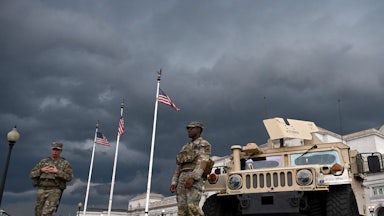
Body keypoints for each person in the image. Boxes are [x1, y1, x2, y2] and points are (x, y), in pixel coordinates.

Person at [170, 121, 211, 216]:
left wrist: (193, 178)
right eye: (188, 128)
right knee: (182, 209)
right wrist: (174, 181)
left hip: (194, 178)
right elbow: (179, 166)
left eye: (191, 128)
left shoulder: (203, 144)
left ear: (199, 129)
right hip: (182, 178)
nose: (189, 130)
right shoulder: (185, 147)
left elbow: (203, 162)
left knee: (192, 208)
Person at [30, 142, 73, 216]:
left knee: (47, 213)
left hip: (54, 190)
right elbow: (32, 174)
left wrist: (57, 172)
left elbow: (69, 177)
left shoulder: (65, 163)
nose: (55, 152)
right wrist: (41, 170)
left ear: (60, 151)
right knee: (38, 212)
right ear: (51, 150)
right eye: (54, 149)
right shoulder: (44, 162)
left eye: (57, 150)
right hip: (41, 189)